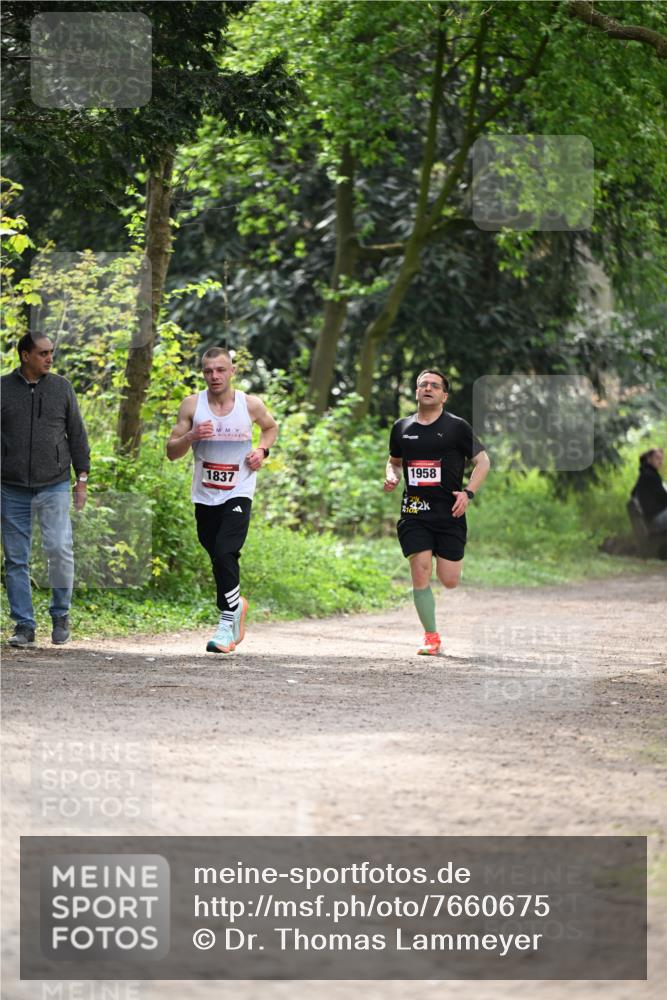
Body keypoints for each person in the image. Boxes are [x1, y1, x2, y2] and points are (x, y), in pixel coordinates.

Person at [167, 347, 278, 654]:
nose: (214, 376)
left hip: (238, 490)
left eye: (220, 370)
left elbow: (270, 428)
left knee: (225, 549)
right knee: (215, 552)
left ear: (232, 371)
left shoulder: (250, 404)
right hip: (205, 495)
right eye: (208, 371)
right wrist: (191, 437)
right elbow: (171, 451)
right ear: (203, 373)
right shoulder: (192, 405)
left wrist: (262, 451)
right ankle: (236, 604)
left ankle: (226, 623)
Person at [384, 369, 490, 655]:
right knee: (420, 571)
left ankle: (447, 569)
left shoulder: (457, 427)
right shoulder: (402, 427)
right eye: (423, 384)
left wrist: (468, 493)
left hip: (449, 513)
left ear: (444, 395)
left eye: (434, 385)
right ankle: (431, 636)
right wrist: (392, 475)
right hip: (414, 511)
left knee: (449, 580)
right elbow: (394, 461)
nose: (428, 388)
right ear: (417, 392)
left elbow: (483, 462)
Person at [1, 331, 90, 648]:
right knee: (15, 559)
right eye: (43, 353)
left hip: (54, 483)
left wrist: (82, 478)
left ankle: (60, 614)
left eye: (51, 352)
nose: (50, 358)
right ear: (25, 355)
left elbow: (76, 434)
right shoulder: (3, 389)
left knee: (60, 550)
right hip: (10, 487)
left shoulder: (61, 387)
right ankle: (24, 625)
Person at [632, 447, 667, 530]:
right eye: (657, 458)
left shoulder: (645, 474)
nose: (660, 461)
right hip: (656, 519)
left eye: (662, 459)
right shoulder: (650, 475)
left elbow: (633, 493)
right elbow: (664, 498)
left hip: (654, 518)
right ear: (649, 459)